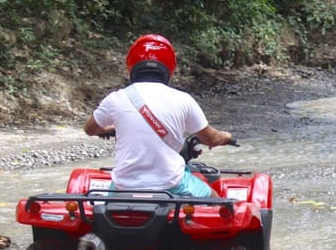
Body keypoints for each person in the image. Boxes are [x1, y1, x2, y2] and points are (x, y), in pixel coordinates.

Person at [84, 34, 233, 197]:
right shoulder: (183, 99)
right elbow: (211, 138)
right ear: (170, 68)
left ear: (131, 65)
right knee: (216, 200)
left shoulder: (115, 98)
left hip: (123, 187)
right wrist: (225, 137)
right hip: (171, 185)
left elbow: (90, 129)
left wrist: (110, 128)